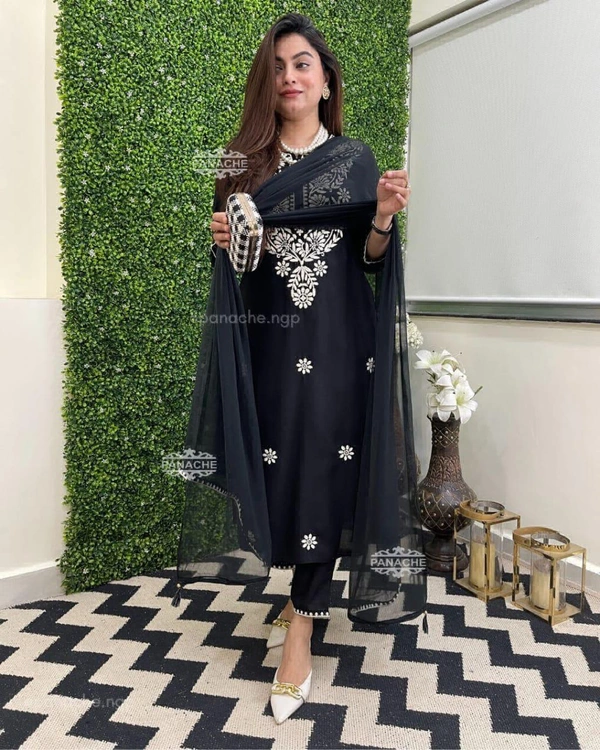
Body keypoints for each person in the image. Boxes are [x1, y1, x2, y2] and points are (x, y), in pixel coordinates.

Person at [173, 12, 427, 725]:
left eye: (303, 64)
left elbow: (370, 260)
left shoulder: (354, 160)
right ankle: (296, 595)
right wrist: (223, 238)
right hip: (270, 348)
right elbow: (242, 267)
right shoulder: (239, 164)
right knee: (282, 470)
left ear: (325, 81)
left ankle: (302, 630)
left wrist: (382, 217)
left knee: (328, 468)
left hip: (342, 344)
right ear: (268, 81)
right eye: (279, 66)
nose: (290, 76)